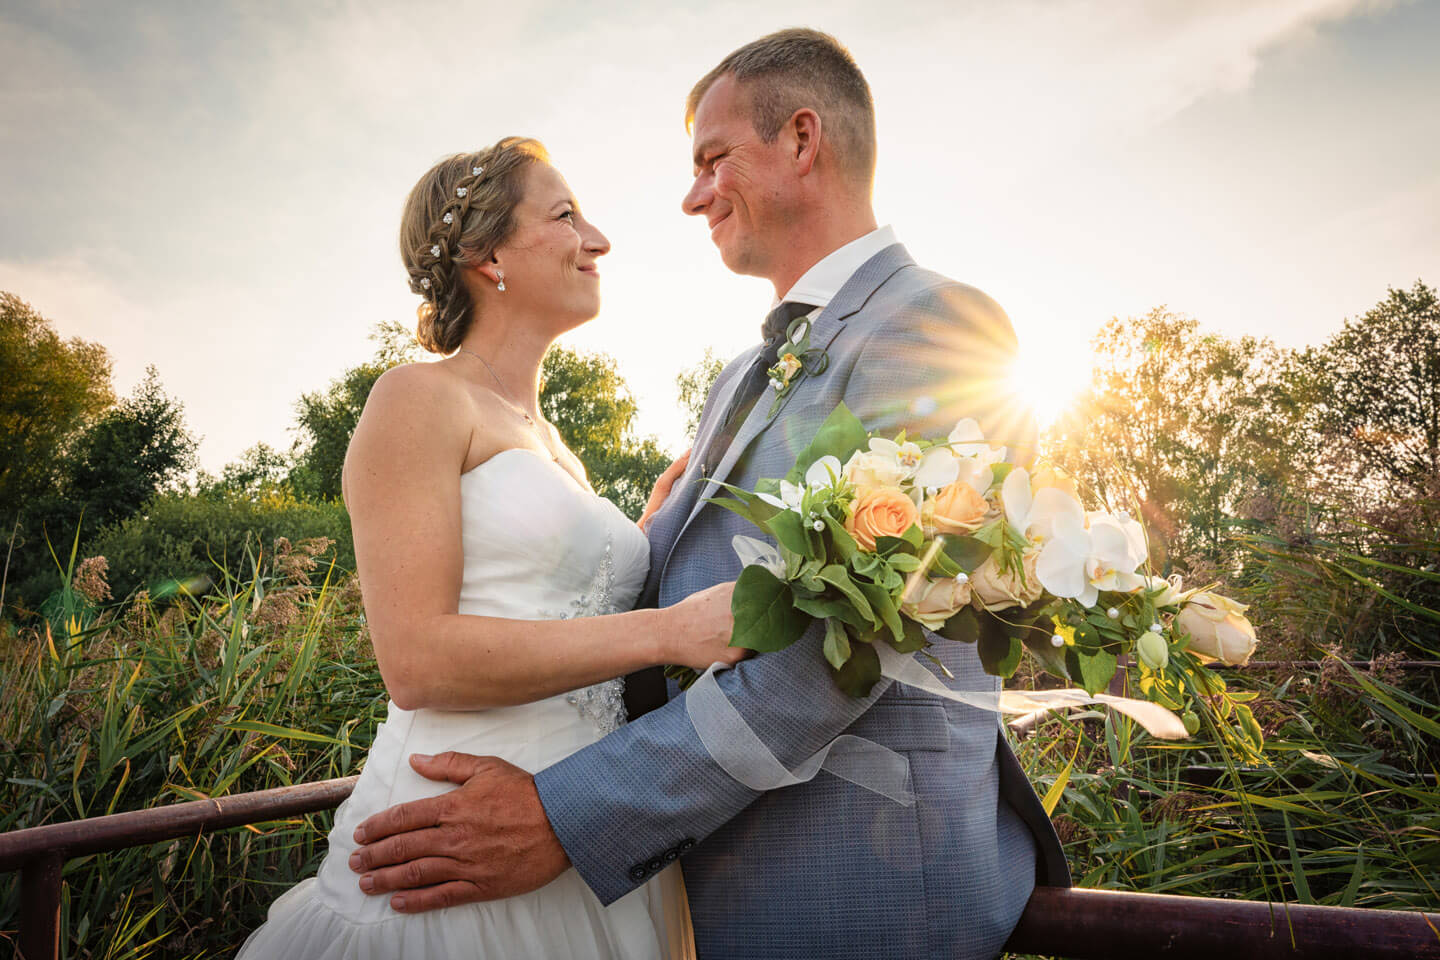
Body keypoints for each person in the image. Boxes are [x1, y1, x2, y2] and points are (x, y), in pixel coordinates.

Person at [348, 29, 1072, 960]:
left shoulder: (938, 324)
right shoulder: (740, 378)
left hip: (865, 884)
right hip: (685, 874)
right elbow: (694, 603)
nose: (690, 198)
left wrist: (571, 815)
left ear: (802, 140)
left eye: (712, 160)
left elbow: (860, 638)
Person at [237, 136, 741, 959]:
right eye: (566, 214)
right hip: (451, 845)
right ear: (485, 253)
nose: (599, 240)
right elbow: (417, 660)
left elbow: (545, 600)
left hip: (578, 830)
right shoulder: (418, 398)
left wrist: (643, 541)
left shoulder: (556, 447)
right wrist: (670, 629)